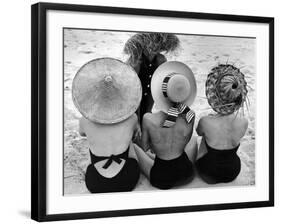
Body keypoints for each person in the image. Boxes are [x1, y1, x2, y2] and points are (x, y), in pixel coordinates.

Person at [72, 57, 142, 193]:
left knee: (92, 144)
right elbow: (134, 134)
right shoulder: (132, 118)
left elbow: (82, 133)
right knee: (130, 144)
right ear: (123, 94)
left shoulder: (85, 121)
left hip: (95, 182)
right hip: (126, 180)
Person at [134, 61, 198, 189]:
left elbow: (145, 147)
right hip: (186, 173)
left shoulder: (148, 119)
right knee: (194, 141)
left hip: (161, 177)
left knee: (135, 148)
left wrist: (155, 143)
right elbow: (186, 141)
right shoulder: (190, 115)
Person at [195, 64, 249, 184]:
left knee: (205, 135)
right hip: (233, 171)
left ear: (215, 96)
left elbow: (198, 132)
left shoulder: (205, 121)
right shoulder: (244, 122)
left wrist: (211, 121)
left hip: (208, 172)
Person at [123, 33, 180, 122]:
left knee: (146, 114)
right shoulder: (136, 61)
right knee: (135, 119)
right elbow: (133, 90)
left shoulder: (160, 59)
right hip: (133, 96)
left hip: (149, 94)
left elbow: (156, 85)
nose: (154, 51)